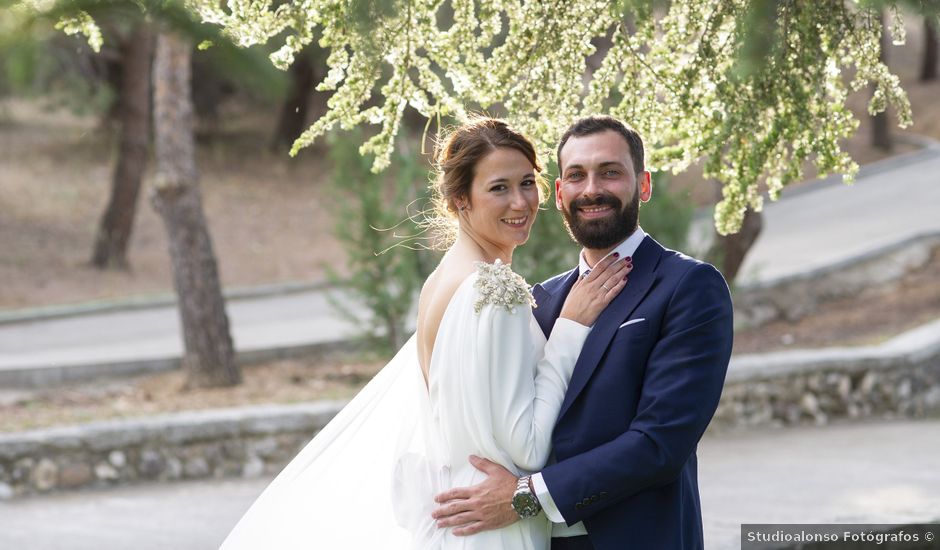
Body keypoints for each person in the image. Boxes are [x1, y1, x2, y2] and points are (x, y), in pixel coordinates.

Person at [218, 117, 632, 550]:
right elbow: (527, 448)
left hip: (457, 512)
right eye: (498, 188)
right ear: (459, 200)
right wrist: (570, 328)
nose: (520, 202)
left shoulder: (441, 282)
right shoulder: (497, 290)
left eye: (527, 182)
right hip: (496, 518)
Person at [431, 115, 734, 550]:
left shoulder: (689, 286)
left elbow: (660, 442)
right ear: (559, 194)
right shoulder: (542, 299)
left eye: (610, 172)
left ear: (643, 185)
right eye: (576, 176)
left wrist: (525, 496)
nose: (591, 189)